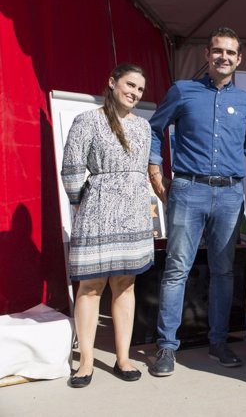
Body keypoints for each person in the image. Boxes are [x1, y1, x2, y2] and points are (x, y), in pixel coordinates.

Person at [147, 27, 246, 377]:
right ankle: (166, 347)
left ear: (239, 59)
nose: (224, 57)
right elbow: (154, 129)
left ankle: (218, 341)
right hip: (188, 191)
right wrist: (155, 170)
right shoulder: (182, 91)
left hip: (229, 194)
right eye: (218, 51)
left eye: (230, 53)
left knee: (223, 271)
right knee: (177, 270)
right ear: (207, 55)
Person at [61, 63, 153, 387]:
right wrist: (83, 201)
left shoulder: (143, 126)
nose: (135, 93)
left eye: (140, 89)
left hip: (135, 215)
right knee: (91, 286)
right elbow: (71, 169)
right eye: (130, 85)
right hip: (97, 212)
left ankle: (123, 357)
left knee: (125, 285)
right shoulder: (86, 121)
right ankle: (86, 360)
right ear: (112, 82)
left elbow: (141, 170)